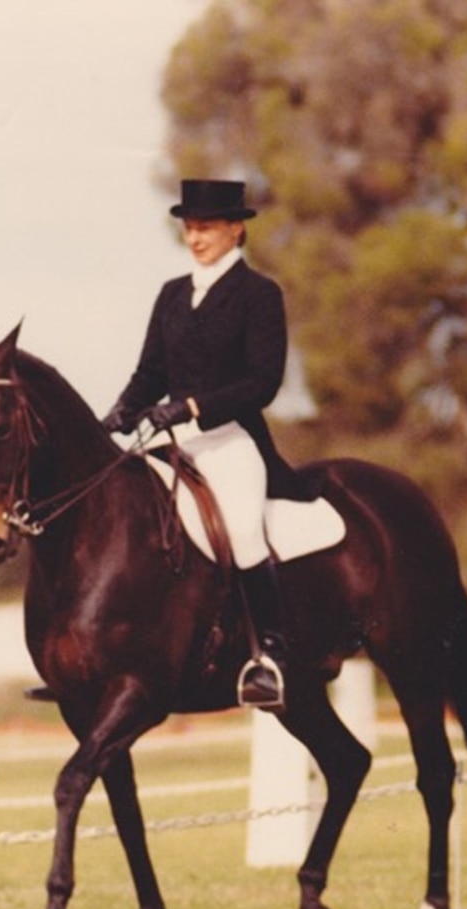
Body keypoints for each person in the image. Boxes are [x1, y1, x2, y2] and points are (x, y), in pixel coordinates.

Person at [104, 179, 305, 709]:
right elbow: (149, 372)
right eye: (189, 228)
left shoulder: (260, 294)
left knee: (241, 529)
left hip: (231, 439)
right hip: (174, 443)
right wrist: (120, 411)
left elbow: (263, 382)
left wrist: (191, 407)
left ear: (235, 228)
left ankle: (272, 658)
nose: (195, 238)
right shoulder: (172, 293)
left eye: (206, 228)